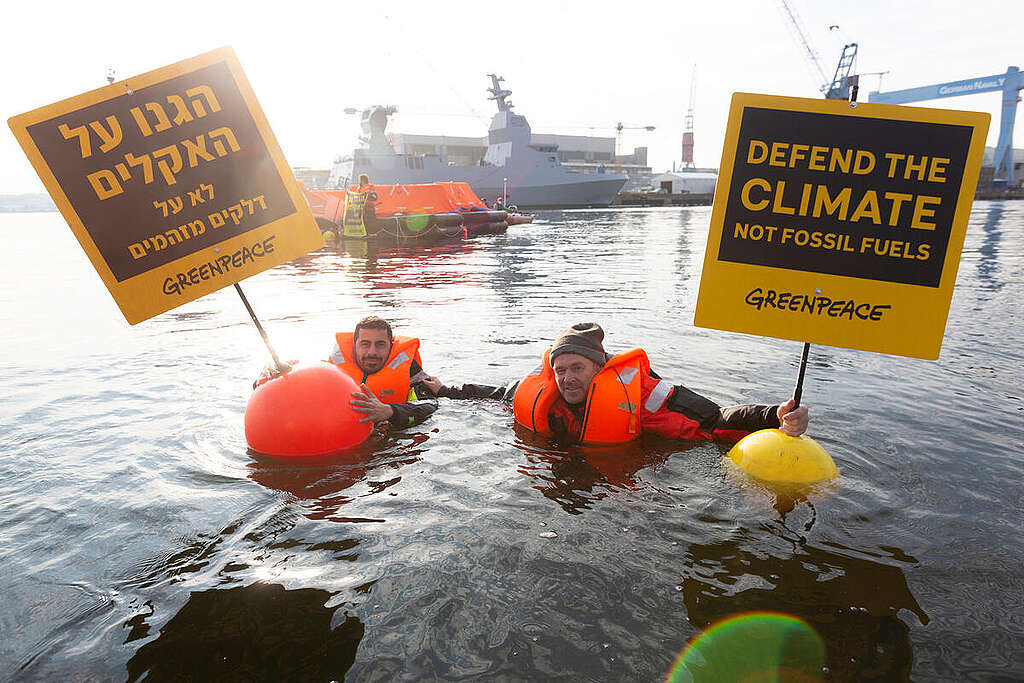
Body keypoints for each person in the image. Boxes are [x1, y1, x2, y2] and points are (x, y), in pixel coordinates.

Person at [423, 322, 808, 446]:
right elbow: (492, 396)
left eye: (577, 367)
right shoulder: (547, 394)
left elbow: (714, 417)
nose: (568, 378)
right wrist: (443, 390)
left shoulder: (644, 394)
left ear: (598, 366)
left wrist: (774, 415)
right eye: (561, 370)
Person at [330, 316, 438, 428]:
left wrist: (391, 411)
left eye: (380, 344)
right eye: (365, 344)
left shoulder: (410, 370)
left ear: (390, 346)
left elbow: (430, 405)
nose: (372, 352)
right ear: (355, 345)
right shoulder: (332, 371)